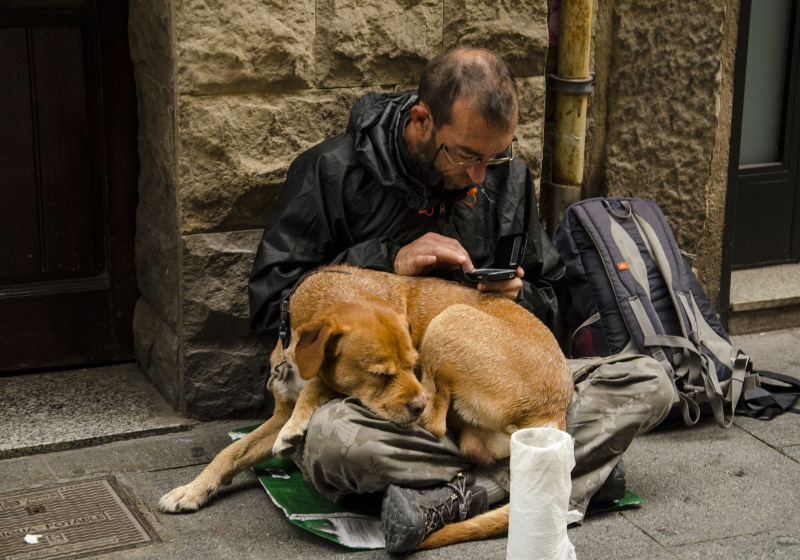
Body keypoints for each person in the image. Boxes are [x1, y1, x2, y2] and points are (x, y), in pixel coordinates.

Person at [249, 48, 673, 552]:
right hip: (398, 408)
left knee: (652, 381)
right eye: (468, 156)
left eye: (495, 157)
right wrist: (387, 260)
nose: (481, 175)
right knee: (332, 447)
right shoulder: (331, 171)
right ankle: (561, 472)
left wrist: (521, 295)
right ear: (423, 121)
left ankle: (468, 494)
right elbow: (272, 301)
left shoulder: (507, 177)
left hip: (489, 390)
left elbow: (553, 297)